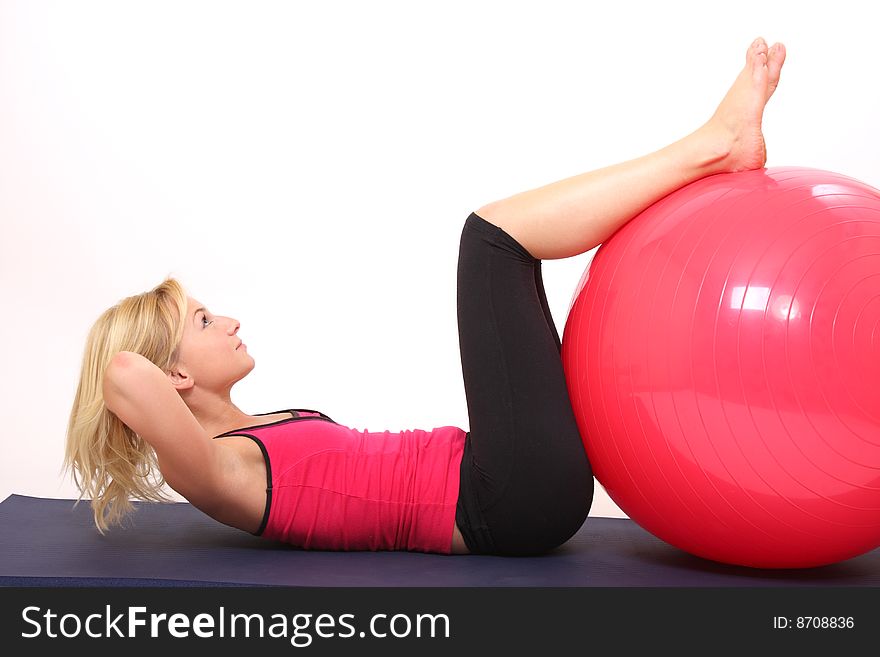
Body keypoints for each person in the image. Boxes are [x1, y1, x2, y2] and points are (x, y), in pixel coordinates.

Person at [65, 38, 786, 556]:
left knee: (500, 249)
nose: (229, 319)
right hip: (504, 498)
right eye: (202, 320)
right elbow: (123, 373)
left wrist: (169, 349)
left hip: (507, 480)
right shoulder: (219, 469)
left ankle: (711, 150)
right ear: (176, 374)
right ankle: (710, 148)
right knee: (491, 241)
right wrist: (143, 361)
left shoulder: (253, 430)